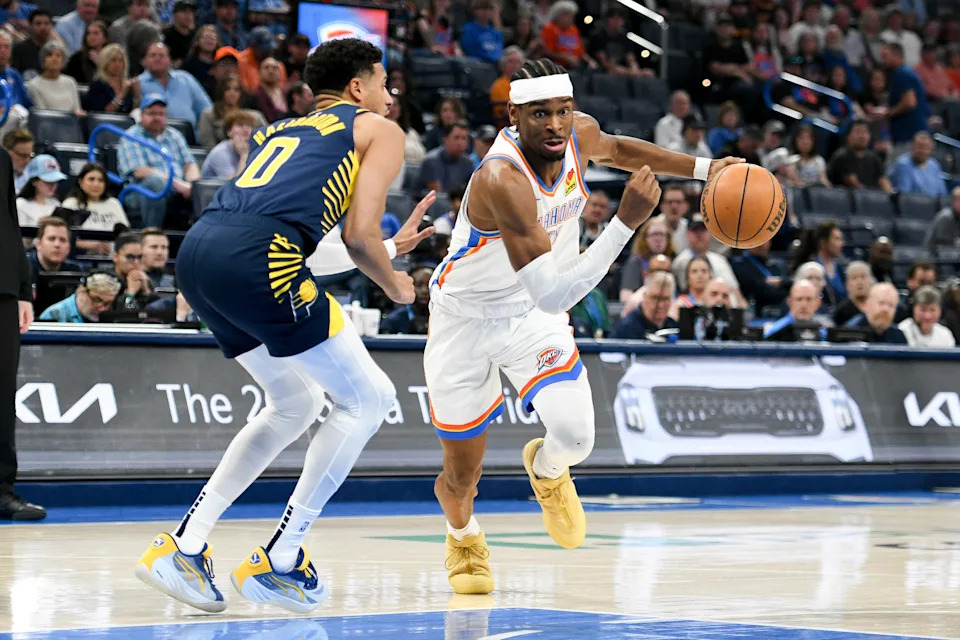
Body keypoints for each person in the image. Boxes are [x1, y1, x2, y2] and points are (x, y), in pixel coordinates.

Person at [134, 37, 438, 615]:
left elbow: (307, 240)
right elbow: (354, 235)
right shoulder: (378, 130)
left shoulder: (280, 131)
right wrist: (399, 283)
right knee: (370, 399)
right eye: (383, 83)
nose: (389, 96)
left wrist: (386, 247)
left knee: (292, 404)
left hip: (200, 254)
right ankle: (281, 557)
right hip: (260, 260)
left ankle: (185, 546)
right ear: (357, 88)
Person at [424, 57, 739, 595]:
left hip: (531, 319)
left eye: (563, 112)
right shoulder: (501, 178)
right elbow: (553, 290)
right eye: (540, 113)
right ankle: (464, 536)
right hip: (466, 320)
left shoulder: (578, 134)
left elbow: (620, 149)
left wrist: (707, 170)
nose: (554, 124)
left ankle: (547, 472)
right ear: (513, 115)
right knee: (461, 476)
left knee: (576, 439)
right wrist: (624, 224)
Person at [0, 141, 44, 519]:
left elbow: (9, 223)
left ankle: (2, 490)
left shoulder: (0, 159)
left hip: (2, 291)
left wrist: (22, 289)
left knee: (2, 394)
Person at [117, 93, 199, 228]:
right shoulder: (131, 136)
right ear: (141, 115)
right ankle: (151, 234)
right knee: (155, 183)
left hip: (178, 190)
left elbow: (189, 164)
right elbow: (140, 171)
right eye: (152, 113)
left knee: (203, 187)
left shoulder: (174, 135)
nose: (157, 118)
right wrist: (177, 184)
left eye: (161, 114)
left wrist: (193, 185)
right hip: (140, 191)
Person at [672, 214, 744, 305]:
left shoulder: (720, 260)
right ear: (688, 234)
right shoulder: (680, 262)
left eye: (703, 230)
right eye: (695, 231)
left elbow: (735, 291)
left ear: (710, 233)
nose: (699, 235)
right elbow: (684, 290)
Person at [138, 41, 212, 128]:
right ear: (145, 61)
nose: (157, 59)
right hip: (152, 136)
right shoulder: (138, 83)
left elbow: (207, 109)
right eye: (153, 55)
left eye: (161, 55)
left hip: (190, 137)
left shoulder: (186, 78)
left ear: (169, 60)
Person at [61, 163, 129, 255]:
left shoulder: (114, 203)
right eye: (91, 179)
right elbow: (62, 237)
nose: (96, 184)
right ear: (81, 182)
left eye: (101, 180)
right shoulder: (71, 204)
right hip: (81, 257)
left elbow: (126, 235)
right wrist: (91, 245)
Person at [881, 42, 930, 147]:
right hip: (910, 134)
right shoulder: (905, 72)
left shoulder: (903, 73)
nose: (883, 60)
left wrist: (888, 113)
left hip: (908, 136)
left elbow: (909, 103)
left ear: (897, 56)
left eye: (885, 56)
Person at [197, 73, 266, 148]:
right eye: (228, 89)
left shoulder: (255, 116)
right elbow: (207, 144)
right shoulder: (208, 115)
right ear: (221, 92)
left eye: (236, 90)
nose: (232, 93)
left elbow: (268, 138)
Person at [827, 120, 894, 191]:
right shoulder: (841, 157)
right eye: (858, 132)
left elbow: (882, 179)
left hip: (873, 198)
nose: (862, 136)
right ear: (848, 136)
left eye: (865, 132)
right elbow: (850, 182)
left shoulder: (874, 158)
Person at [619, 218, 675, 302]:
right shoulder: (635, 262)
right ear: (644, 238)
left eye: (662, 234)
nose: (658, 239)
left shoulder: (673, 260)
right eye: (654, 234)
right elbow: (625, 296)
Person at [26, 216, 82, 299]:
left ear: (68, 247)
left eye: (63, 240)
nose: (57, 245)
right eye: (51, 239)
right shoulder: (23, 267)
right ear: (38, 244)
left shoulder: (75, 271)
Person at [610, 271, 678, 339]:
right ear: (644, 296)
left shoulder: (674, 328)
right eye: (655, 298)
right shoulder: (626, 328)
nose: (660, 305)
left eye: (665, 299)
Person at [587, 6, 649, 77]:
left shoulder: (624, 37)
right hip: (602, 72)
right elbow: (604, 63)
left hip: (623, 70)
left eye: (620, 19)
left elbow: (631, 59)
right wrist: (627, 71)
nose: (617, 22)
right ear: (608, 19)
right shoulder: (598, 36)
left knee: (648, 73)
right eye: (614, 18)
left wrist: (635, 70)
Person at [731, 239, 789, 314]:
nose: (760, 244)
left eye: (764, 240)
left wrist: (781, 282)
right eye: (757, 240)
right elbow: (759, 289)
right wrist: (783, 285)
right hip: (755, 312)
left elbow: (791, 286)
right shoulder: (738, 264)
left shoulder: (777, 265)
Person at [38, 270, 121, 322]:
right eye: (97, 300)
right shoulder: (53, 315)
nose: (102, 308)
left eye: (108, 303)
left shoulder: (108, 317)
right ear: (82, 291)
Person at [25, 40, 82, 113]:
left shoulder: (70, 82)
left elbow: (77, 110)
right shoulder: (34, 85)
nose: (54, 59)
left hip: (71, 123)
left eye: (58, 55)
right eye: (50, 55)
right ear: (43, 59)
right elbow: (42, 114)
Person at [886, 131, 948, 196]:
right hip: (912, 204)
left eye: (926, 148)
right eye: (919, 147)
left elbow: (942, 193)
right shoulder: (903, 164)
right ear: (912, 147)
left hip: (933, 204)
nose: (923, 151)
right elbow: (904, 195)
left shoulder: (934, 164)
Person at [538, 1, 595, 70]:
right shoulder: (549, 29)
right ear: (560, 16)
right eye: (569, 16)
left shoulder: (574, 29)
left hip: (576, 65)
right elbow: (547, 51)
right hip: (556, 67)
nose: (572, 19)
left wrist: (590, 61)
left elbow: (581, 52)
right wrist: (565, 57)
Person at [82, 43, 139, 113]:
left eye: (121, 60)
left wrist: (136, 96)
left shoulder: (129, 86)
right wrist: (121, 94)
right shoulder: (98, 85)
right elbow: (103, 113)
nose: (117, 64)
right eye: (113, 60)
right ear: (105, 63)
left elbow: (134, 114)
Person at [419, 120, 474, 194]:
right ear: (445, 140)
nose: (460, 143)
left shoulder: (468, 164)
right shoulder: (431, 161)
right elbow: (438, 196)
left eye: (464, 138)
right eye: (456, 138)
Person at [843, 282, 908, 344]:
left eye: (891, 305)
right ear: (868, 304)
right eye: (881, 303)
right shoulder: (851, 331)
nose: (885, 309)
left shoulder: (898, 336)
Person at [201, 109, 255, 179]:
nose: (246, 129)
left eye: (249, 126)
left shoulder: (254, 148)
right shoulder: (220, 152)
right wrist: (244, 155)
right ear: (229, 132)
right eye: (240, 125)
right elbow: (235, 185)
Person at [16, 154, 66, 227]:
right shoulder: (21, 204)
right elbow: (19, 235)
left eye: (55, 181)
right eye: (47, 181)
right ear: (34, 181)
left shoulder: (55, 204)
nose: (52, 186)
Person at [380, 265, 432, 334]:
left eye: (429, 285)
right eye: (418, 285)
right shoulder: (393, 321)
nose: (424, 291)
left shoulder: (444, 318)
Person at [11, 9, 55, 78]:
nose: (43, 27)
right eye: (38, 24)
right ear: (30, 26)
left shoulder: (55, 49)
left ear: (51, 26)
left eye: (46, 23)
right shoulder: (19, 49)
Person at [490, 46, 524, 127]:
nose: (515, 65)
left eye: (518, 62)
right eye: (511, 61)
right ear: (503, 64)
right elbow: (507, 111)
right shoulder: (498, 85)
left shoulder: (526, 83)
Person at [832, 260, 874, 326]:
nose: (859, 282)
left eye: (863, 277)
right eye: (854, 278)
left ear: (871, 282)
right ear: (847, 285)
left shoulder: (878, 307)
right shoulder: (840, 313)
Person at [459, 0, 502, 64]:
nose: (487, 12)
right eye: (483, 9)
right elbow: (472, 51)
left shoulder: (494, 32)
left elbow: (499, 51)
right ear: (475, 11)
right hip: (476, 66)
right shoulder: (468, 29)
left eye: (489, 9)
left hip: (493, 67)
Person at [162, 0, 197, 66]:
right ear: (175, 14)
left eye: (191, 12)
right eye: (184, 11)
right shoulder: (165, 35)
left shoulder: (196, 35)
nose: (188, 15)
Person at [252, 56, 286, 122]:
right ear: (259, 73)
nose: (271, 71)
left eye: (274, 68)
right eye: (266, 68)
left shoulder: (286, 94)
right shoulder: (255, 97)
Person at [925, 186, 960, 251]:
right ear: (954, 202)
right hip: (932, 255)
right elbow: (943, 241)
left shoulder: (958, 216)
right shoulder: (946, 216)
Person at [3, 129, 33, 194]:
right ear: (7, 152)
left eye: (30, 155)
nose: (27, 161)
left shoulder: (32, 174)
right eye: (23, 155)